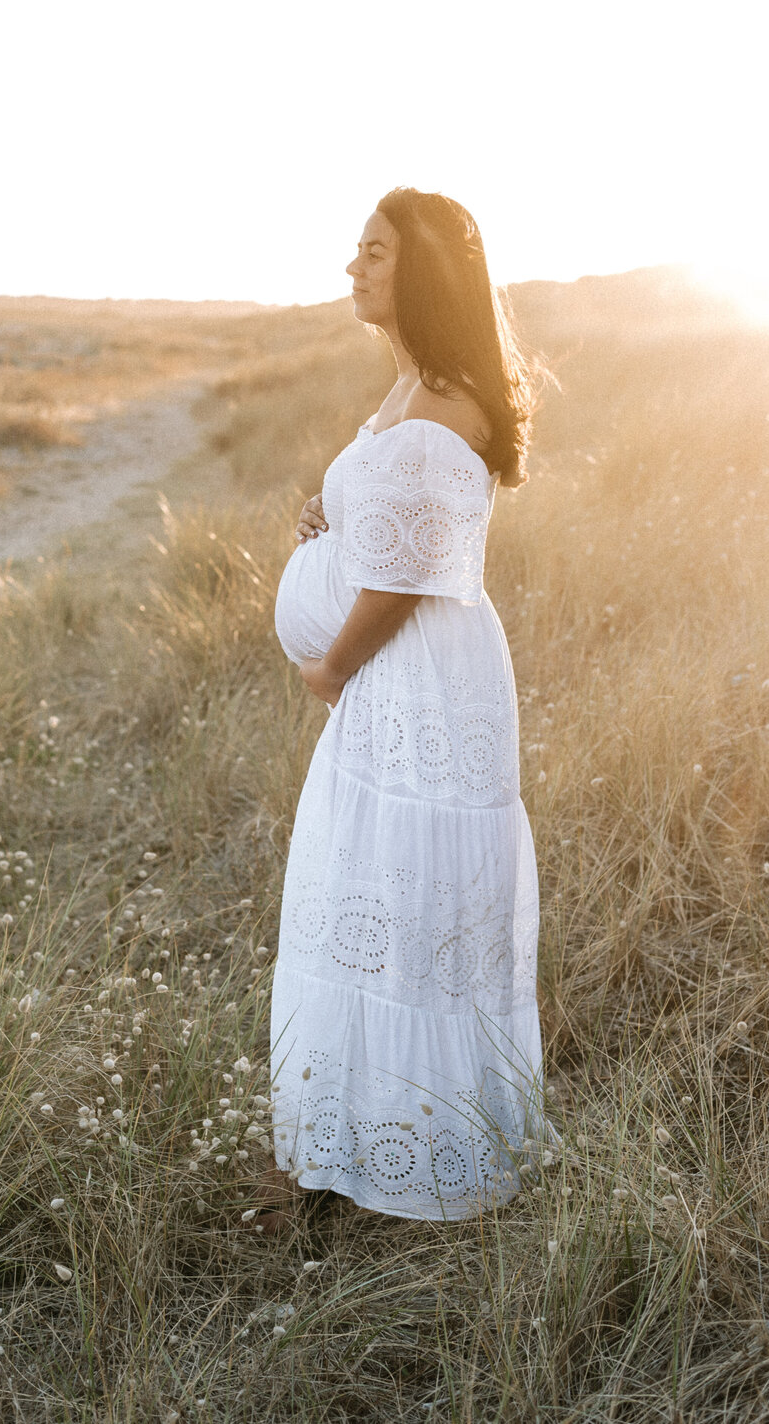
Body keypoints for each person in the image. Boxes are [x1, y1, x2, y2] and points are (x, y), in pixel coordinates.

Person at [256, 187, 549, 1232]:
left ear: (418, 272)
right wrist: (325, 518)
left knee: (410, 905)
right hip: (402, 678)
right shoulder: (415, 389)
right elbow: (385, 525)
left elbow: (404, 581)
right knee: (374, 896)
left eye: (374, 253)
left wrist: (331, 666)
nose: (353, 268)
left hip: (412, 673)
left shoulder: (443, 404)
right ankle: (362, 1147)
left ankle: (413, 1161)